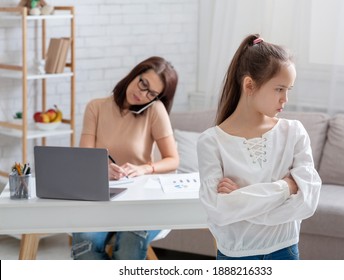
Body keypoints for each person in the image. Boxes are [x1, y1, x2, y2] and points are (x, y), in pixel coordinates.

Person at [197, 35, 322, 260]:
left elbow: (308, 202)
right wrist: (285, 188)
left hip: (285, 250)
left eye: (289, 90)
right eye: (279, 89)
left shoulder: (294, 132)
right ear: (249, 85)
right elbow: (219, 210)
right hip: (235, 256)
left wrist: (241, 200)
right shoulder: (211, 141)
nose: (285, 99)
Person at [72, 56, 179, 260]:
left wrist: (144, 169)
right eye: (143, 83)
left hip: (142, 201)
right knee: (85, 241)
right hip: (101, 199)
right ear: (134, 75)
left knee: (132, 237)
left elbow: (172, 159)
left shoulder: (155, 111)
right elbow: (84, 158)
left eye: (151, 93)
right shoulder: (96, 107)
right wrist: (102, 168)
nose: (142, 93)